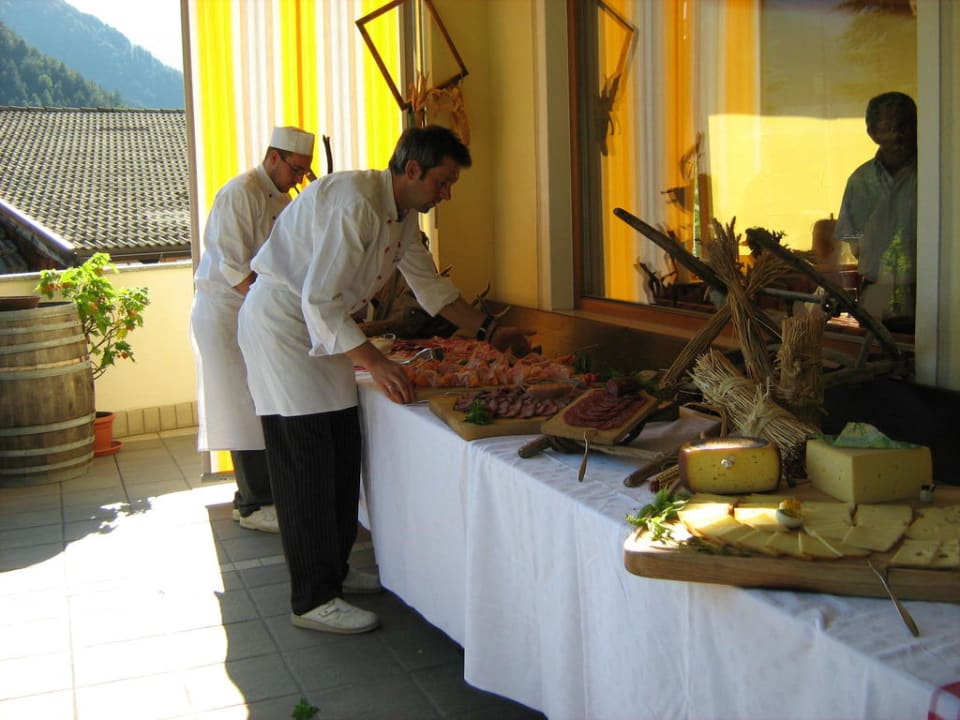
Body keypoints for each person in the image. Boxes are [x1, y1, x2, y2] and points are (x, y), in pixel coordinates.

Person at [237, 125, 534, 634]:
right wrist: (377, 362)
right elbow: (318, 300)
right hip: (285, 328)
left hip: (326, 331)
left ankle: (333, 568)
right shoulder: (356, 202)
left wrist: (489, 331)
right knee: (306, 460)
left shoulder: (402, 217)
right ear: (412, 169)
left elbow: (431, 289)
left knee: (338, 451)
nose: (448, 193)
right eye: (444, 181)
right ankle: (311, 599)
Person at [190, 125, 315, 534]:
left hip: (252, 310)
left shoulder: (280, 196)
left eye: (304, 172)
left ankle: (263, 494)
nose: (298, 179)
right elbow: (231, 263)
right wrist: (269, 309)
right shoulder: (239, 192)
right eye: (295, 169)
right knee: (241, 406)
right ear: (274, 157)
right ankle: (252, 503)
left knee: (261, 400)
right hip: (225, 311)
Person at [835, 91, 917, 333]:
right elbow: (855, 247)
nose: (900, 133)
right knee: (874, 357)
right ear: (873, 132)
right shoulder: (861, 181)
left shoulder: (936, 172)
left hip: (928, 289)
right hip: (877, 291)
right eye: (891, 126)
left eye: (907, 124)